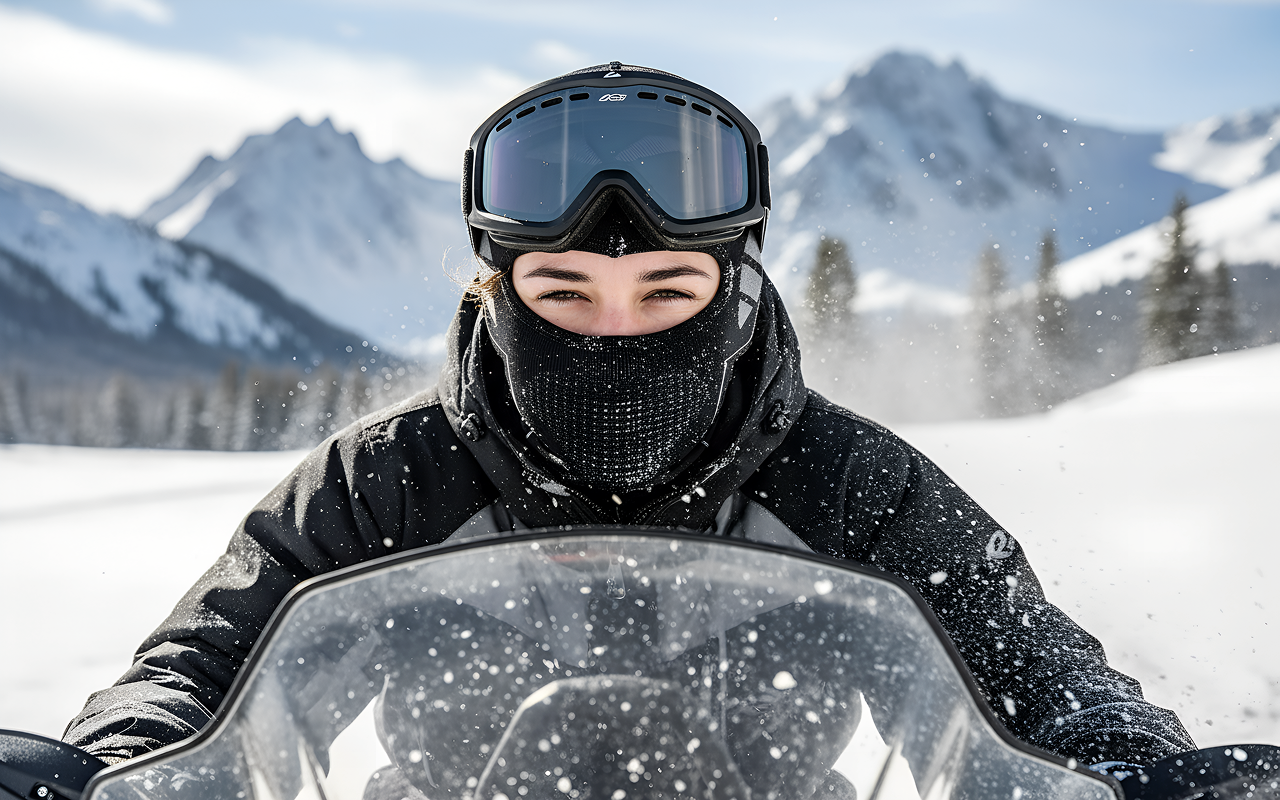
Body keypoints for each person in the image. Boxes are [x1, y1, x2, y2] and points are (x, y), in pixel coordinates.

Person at [64, 62, 1193, 787]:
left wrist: (1134, 765)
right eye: (563, 293)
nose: (613, 334)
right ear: (498, 292)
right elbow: (198, 671)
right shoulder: (384, 480)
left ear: (734, 293)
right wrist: (115, 766)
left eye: (667, 293)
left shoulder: (850, 482)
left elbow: (1040, 672)